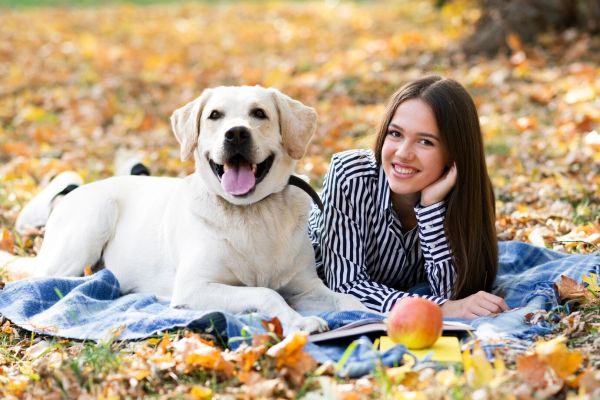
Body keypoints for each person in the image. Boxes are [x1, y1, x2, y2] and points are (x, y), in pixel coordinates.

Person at [308, 75, 509, 319]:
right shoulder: (351, 176)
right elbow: (345, 288)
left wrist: (431, 208)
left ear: (454, 153)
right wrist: (440, 308)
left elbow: (456, 295)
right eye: (395, 134)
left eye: (425, 141)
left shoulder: (465, 197)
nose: (403, 153)